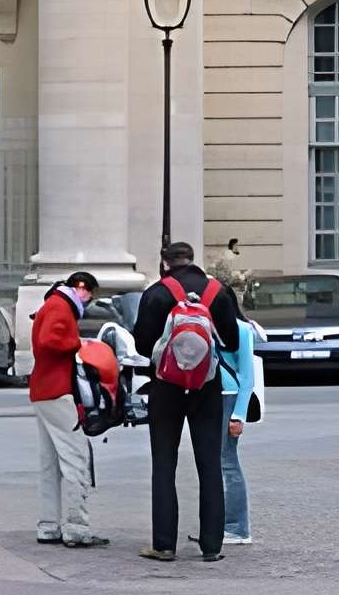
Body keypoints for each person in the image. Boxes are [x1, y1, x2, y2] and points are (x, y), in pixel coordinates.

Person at [134, 241, 240, 563]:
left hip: (166, 385)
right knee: (210, 464)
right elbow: (231, 341)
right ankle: (212, 546)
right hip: (206, 385)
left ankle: (164, 544)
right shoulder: (218, 292)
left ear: (165, 263)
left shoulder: (156, 293)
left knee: (164, 464)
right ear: (193, 260)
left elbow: (142, 345)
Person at [26, 270, 105, 548]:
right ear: (81, 288)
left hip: (43, 389)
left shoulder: (51, 303)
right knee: (76, 458)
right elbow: (50, 340)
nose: (89, 299)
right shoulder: (61, 306)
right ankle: (76, 527)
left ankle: (48, 525)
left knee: (50, 462)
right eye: (89, 293)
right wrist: (77, 343)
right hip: (58, 391)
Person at [220, 310, 265, 545]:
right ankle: (222, 524)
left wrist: (238, 415)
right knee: (219, 463)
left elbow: (247, 376)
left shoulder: (241, 328)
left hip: (229, 395)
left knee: (227, 462)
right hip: (213, 396)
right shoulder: (208, 321)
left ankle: (237, 528)